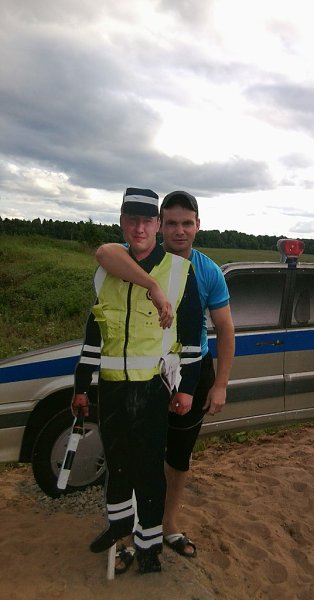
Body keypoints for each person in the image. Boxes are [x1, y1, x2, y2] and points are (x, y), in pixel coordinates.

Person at [95, 190, 235, 558]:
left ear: (198, 225)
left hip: (191, 372)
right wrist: (153, 285)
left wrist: (220, 384)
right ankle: (128, 536)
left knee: (177, 457)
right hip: (143, 376)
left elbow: (225, 329)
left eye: (186, 223)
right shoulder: (136, 258)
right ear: (159, 226)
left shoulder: (208, 271)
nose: (179, 231)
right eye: (171, 223)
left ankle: (167, 525)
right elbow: (105, 253)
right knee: (134, 453)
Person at [72, 187, 203, 575]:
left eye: (147, 221)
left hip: (152, 389)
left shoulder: (180, 272)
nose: (140, 228)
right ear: (122, 223)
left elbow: (192, 340)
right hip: (112, 387)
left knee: (148, 470)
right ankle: (119, 528)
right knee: (117, 465)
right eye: (132, 220)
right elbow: (94, 336)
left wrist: (187, 390)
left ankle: (149, 548)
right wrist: (81, 387)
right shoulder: (106, 270)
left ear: (157, 225)